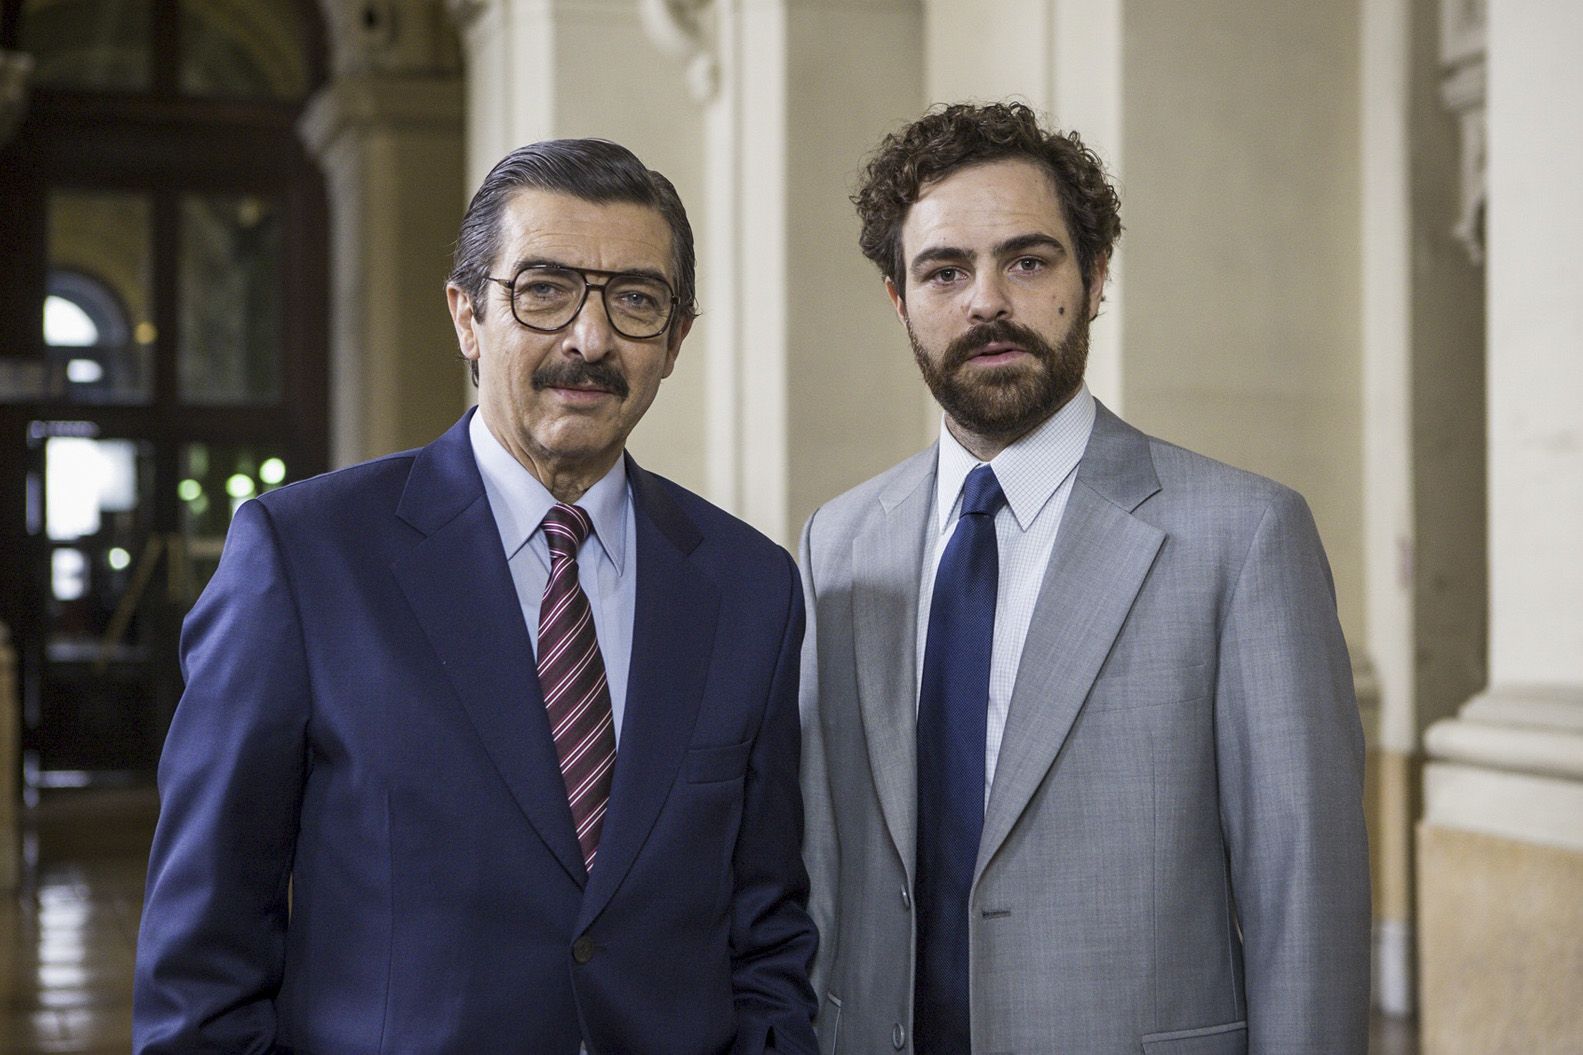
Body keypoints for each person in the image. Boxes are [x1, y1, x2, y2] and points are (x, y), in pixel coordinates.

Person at [134, 138, 817, 1055]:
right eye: (542, 289)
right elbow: (202, 955)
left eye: (636, 301)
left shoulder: (749, 584)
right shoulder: (303, 559)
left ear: (676, 340)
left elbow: (764, 927)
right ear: (466, 315)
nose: (589, 338)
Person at [798, 103, 1370, 1054]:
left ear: (1094, 278)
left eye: (1027, 261)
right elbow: (819, 865)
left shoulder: (1242, 536)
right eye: (945, 271)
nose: (987, 302)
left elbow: (1302, 892)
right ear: (899, 300)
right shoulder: (840, 542)